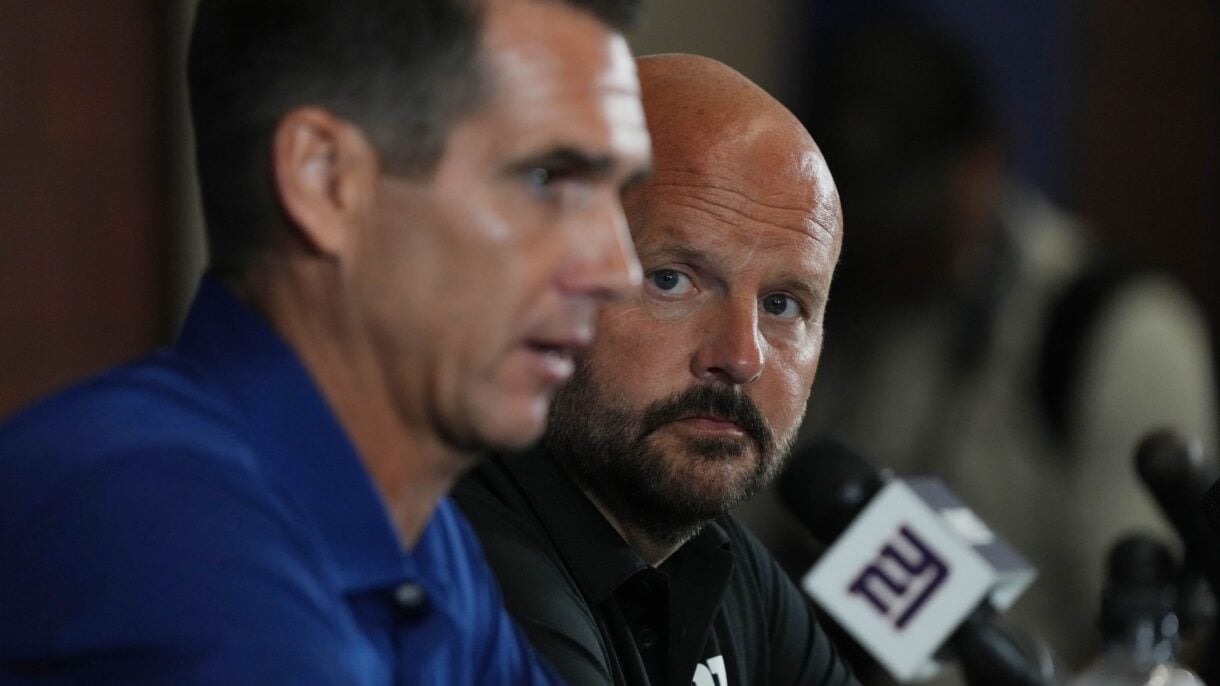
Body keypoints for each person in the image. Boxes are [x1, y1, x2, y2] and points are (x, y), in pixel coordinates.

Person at [0, 0, 651, 683]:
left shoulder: (429, 540)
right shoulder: (158, 526)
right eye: (546, 179)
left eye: (618, 196)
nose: (617, 269)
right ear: (326, 181)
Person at [774, 16, 1218, 675]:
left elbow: (1154, 638)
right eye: (858, 211)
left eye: (909, 211)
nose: (886, 242)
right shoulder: (818, 303)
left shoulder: (1112, 330)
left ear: (982, 165)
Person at [453, 53, 858, 686]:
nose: (741, 356)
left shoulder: (716, 560)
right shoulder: (460, 561)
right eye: (672, 281)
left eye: (782, 305)